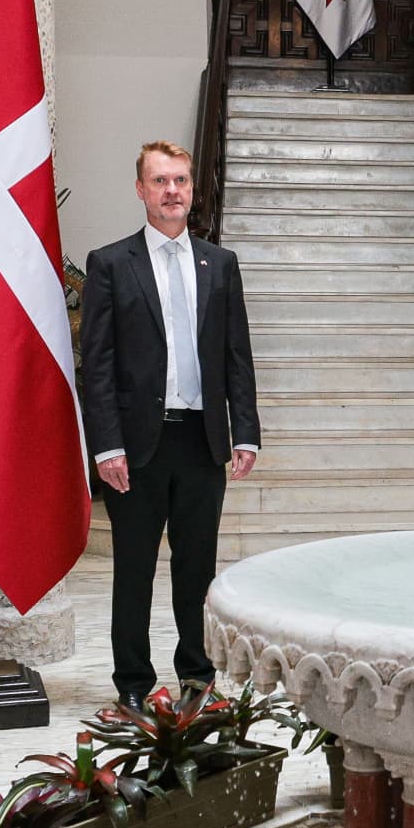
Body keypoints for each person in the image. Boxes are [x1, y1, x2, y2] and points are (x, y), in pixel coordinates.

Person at [75, 140, 261, 710]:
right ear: (141, 190)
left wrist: (245, 431)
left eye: (180, 180)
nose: (172, 191)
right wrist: (106, 446)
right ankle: (132, 685)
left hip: (202, 441)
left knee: (197, 570)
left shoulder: (220, 264)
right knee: (134, 570)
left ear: (191, 189)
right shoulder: (110, 264)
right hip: (136, 446)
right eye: (160, 181)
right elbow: (97, 365)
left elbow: (236, 354)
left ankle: (197, 678)